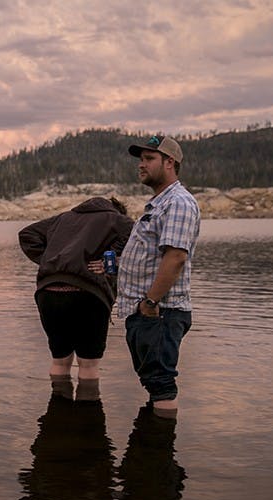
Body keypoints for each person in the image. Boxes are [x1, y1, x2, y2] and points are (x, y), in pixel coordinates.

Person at [116, 135, 200, 419]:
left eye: (149, 159)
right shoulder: (158, 204)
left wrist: (150, 303)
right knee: (154, 382)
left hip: (159, 312)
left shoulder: (178, 202)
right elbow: (149, 256)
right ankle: (154, 454)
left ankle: (159, 454)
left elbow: (175, 258)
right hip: (149, 312)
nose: (141, 165)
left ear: (170, 163)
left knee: (161, 384)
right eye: (141, 159)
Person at [19, 197, 133, 401]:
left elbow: (27, 234)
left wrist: (53, 260)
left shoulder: (64, 218)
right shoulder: (118, 220)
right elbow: (135, 235)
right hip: (88, 294)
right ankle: (86, 420)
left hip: (48, 292)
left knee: (60, 360)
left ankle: (59, 411)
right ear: (118, 211)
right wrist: (112, 257)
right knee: (88, 364)